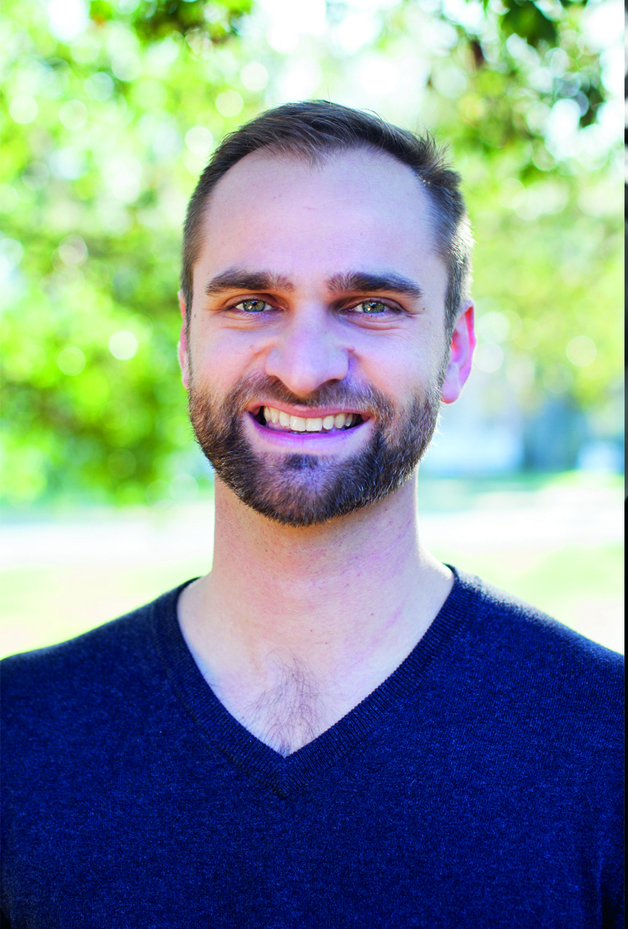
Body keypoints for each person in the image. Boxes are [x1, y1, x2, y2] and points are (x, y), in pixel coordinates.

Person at [1, 101, 623, 927]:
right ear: (186, 340)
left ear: (456, 349)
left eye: (371, 304)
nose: (303, 369)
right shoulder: (19, 736)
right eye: (252, 302)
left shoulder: (606, 742)